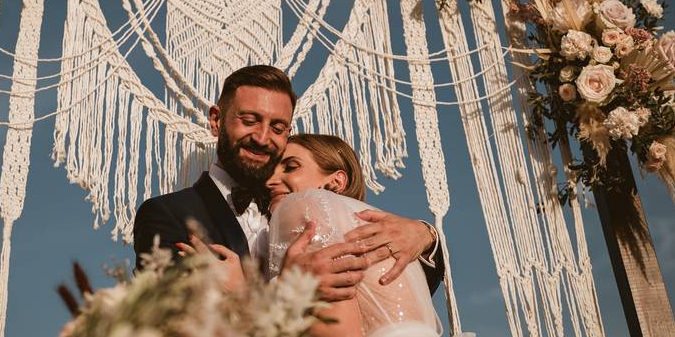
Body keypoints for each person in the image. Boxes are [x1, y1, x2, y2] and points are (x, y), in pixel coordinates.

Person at [133, 65, 444, 300]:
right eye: (249, 120)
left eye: (277, 126)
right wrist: (291, 288)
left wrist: (426, 236)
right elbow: (174, 318)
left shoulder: (310, 205)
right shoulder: (167, 213)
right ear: (217, 120)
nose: (262, 138)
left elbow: (390, 295)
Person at [264, 134, 475, 337]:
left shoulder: (303, 207)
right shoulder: (381, 229)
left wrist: (272, 293)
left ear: (336, 181)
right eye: (270, 170)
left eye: (291, 166)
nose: (270, 181)